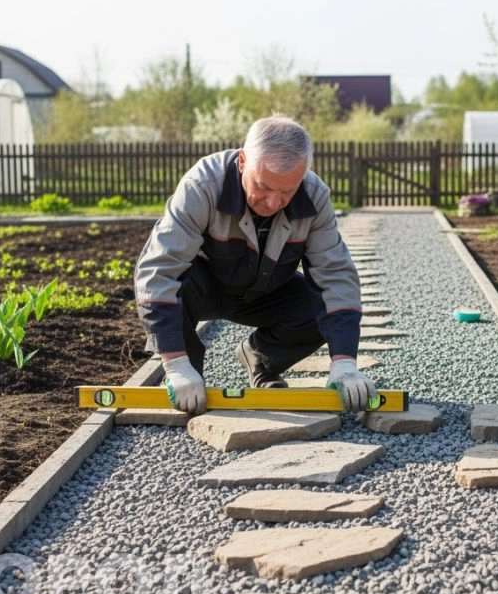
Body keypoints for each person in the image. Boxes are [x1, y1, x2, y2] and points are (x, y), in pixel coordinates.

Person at [133, 115, 375, 415]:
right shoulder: (203, 186)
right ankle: (188, 368)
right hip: (203, 289)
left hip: (265, 288)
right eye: (263, 186)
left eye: (287, 191)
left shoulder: (314, 196)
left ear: (304, 174)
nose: (273, 202)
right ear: (244, 160)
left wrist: (345, 364)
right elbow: (159, 271)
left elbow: (336, 277)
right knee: (175, 295)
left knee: (319, 308)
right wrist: (176, 364)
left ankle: (260, 359)